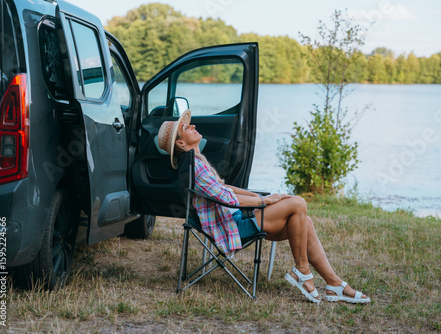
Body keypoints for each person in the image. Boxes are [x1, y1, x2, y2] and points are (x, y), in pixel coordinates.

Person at [157, 110, 370, 304]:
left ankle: (333, 284)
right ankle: (303, 271)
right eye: (186, 128)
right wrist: (265, 201)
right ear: (181, 144)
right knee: (298, 203)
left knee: (304, 221)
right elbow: (228, 199)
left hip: (238, 218)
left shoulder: (196, 162)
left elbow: (224, 188)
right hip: (233, 228)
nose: (193, 126)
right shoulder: (195, 167)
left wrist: (256, 196)